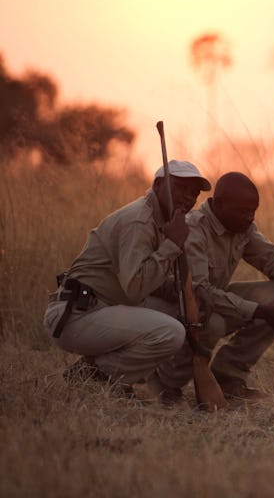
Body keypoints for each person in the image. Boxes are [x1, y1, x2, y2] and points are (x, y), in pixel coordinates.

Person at [43, 160, 213, 397]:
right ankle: (96, 375)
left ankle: (153, 382)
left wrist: (190, 290)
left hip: (100, 308)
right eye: (180, 187)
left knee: (180, 311)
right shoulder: (139, 221)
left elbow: (144, 279)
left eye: (194, 192)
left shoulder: (160, 220)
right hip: (76, 317)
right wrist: (172, 245)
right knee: (171, 332)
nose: (188, 197)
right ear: (157, 185)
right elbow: (135, 288)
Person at [146, 171, 274, 403]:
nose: (250, 218)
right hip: (179, 307)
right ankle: (167, 383)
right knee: (211, 322)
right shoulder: (194, 230)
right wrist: (260, 311)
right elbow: (197, 292)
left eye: (253, 211)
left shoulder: (241, 226)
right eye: (244, 211)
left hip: (211, 302)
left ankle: (229, 379)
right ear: (219, 204)